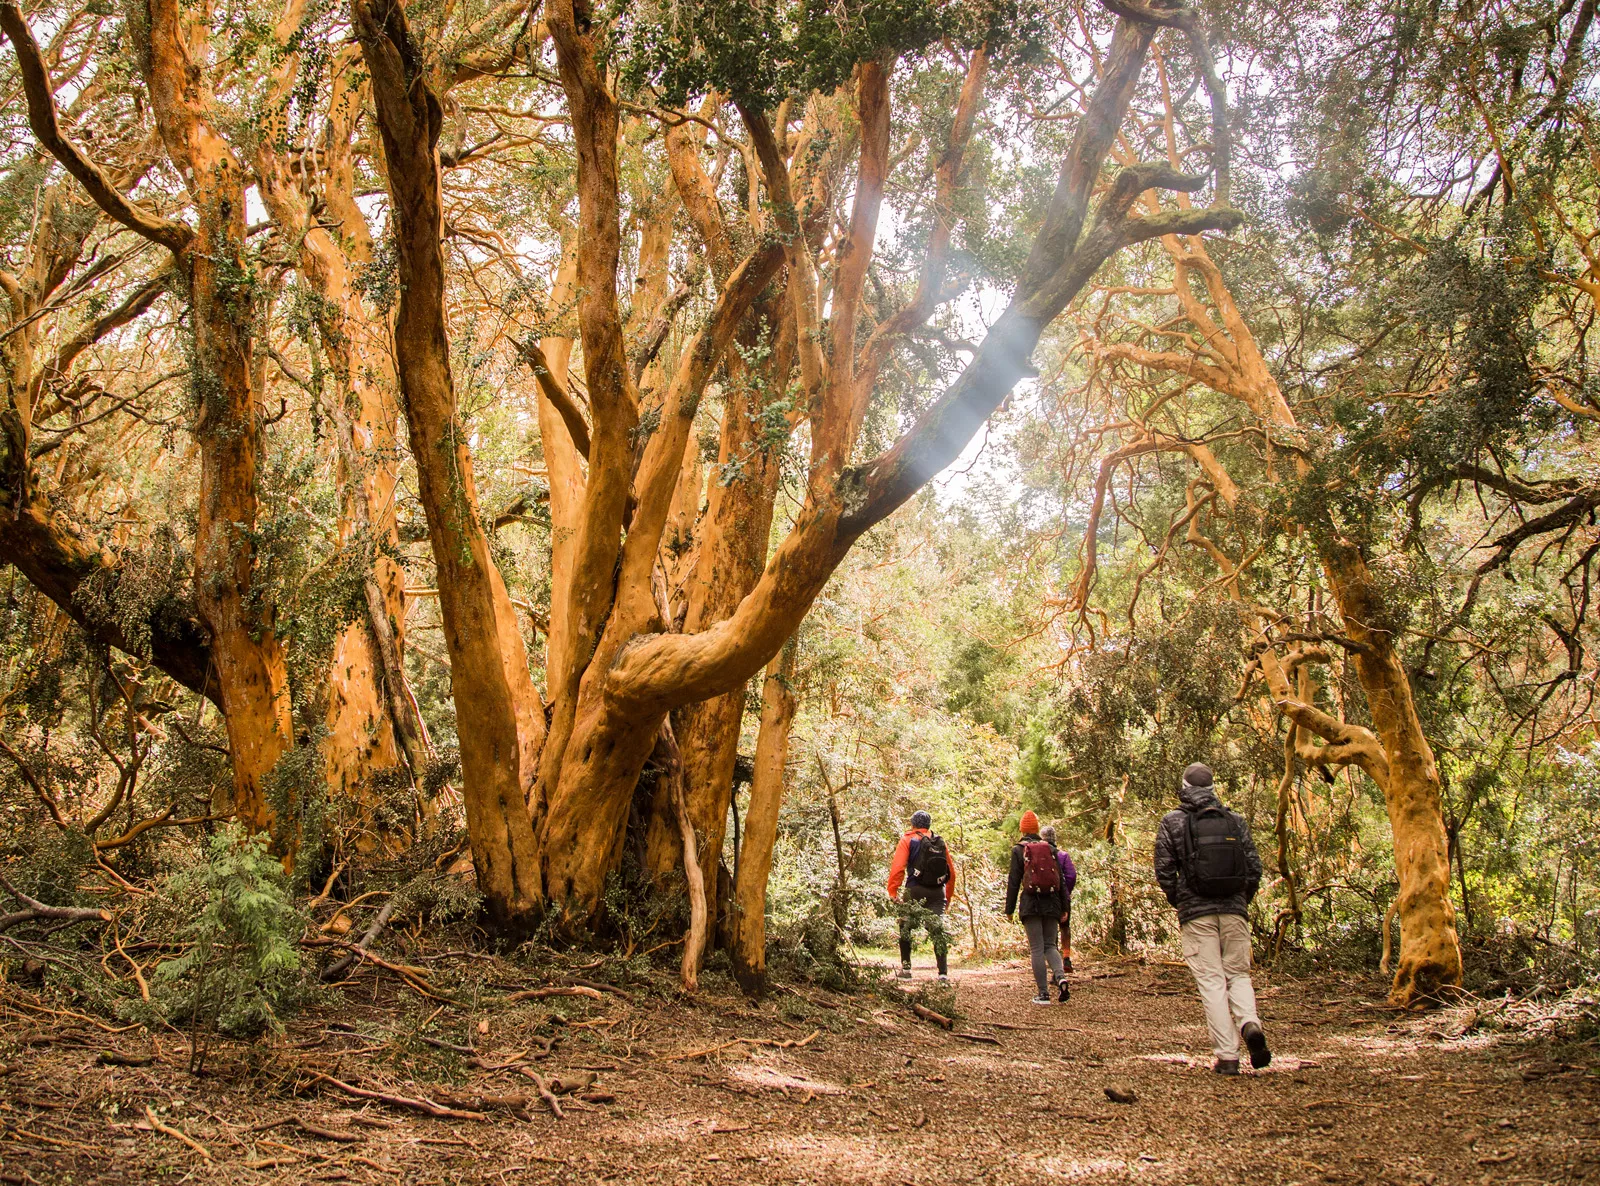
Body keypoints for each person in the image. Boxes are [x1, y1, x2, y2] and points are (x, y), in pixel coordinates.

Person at [1154, 763, 1273, 1075]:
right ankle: (1249, 1023)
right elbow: (1253, 867)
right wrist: (1240, 901)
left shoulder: (1173, 822)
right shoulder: (1234, 821)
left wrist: (1181, 902)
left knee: (1211, 981)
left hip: (1196, 914)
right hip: (1234, 910)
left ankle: (1228, 1056)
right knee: (1238, 974)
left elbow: (1164, 869)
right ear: (1212, 788)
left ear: (1184, 787)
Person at [1005, 811, 1070, 1005]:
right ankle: (1060, 977)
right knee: (1050, 945)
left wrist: (1009, 909)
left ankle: (1043, 994)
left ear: (1022, 829)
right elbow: (1061, 881)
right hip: (1052, 903)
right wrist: (1064, 907)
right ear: (1037, 829)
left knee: (1036, 948)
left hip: (1031, 904)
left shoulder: (1018, 850)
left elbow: (1014, 882)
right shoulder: (1050, 848)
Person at [886, 810, 956, 981]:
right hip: (938, 892)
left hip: (914, 890)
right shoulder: (939, 842)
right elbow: (951, 873)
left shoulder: (907, 839)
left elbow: (898, 868)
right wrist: (948, 897)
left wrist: (893, 891)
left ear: (913, 824)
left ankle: (907, 969)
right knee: (937, 929)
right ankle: (943, 973)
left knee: (905, 925)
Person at [1040, 825, 1078, 973]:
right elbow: (1071, 876)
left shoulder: (1042, 856)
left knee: (1050, 930)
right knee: (1065, 927)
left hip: (1046, 897)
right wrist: (1065, 892)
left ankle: (1053, 962)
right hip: (1063, 897)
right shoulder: (1063, 855)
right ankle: (1066, 958)